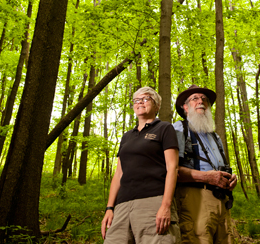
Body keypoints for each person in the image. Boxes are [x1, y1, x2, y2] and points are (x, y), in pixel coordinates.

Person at [101, 87, 181, 243]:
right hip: (122, 206)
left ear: (157, 105)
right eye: (136, 100)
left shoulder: (164, 128)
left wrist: (165, 206)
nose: (140, 102)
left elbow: (172, 168)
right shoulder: (126, 137)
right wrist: (110, 208)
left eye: (146, 99)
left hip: (153, 201)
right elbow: (119, 174)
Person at [173, 84, 238, 244]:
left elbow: (218, 167)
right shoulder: (180, 128)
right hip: (194, 198)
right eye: (194, 98)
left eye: (204, 99)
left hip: (222, 201)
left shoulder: (215, 136)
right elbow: (171, 170)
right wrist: (207, 177)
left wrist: (230, 178)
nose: (200, 101)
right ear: (185, 107)